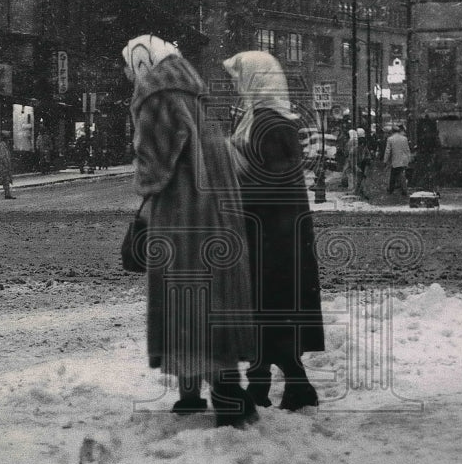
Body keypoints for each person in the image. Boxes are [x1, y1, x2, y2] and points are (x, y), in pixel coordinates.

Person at [124, 34, 257, 426]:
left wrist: (146, 194)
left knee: (187, 303)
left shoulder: (155, 93)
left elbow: (154, 162)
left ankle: (221, 396)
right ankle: (212, 391)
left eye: (129, 65)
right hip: (218, 216)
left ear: (143, 62)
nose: (127, 74)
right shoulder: (194, 94)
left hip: (185, 218)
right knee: (213, 300)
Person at [223, 51, 324, 412]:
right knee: (266, 312)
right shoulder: (261, 118)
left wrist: (235, 166)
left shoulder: (270, 122)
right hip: (268, 233)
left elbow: (275, 182)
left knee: (270, 311)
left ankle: (289, 385)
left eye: (240, 77)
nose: (236, 84)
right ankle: (270, 385)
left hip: (274, 238)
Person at [383, 124, 411, 197]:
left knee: (393, 175)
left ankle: (393, 189)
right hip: (403, 160)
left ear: (392, 131)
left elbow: (388, 151)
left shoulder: (390, 139)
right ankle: (403, 189)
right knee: (401, 174)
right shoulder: (404, 138)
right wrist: (409, 159)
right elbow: (407, 150)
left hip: (395, 160)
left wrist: (385, 161)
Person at [354, 128, 372, 200]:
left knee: (361, 177)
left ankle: (361, 191)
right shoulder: (364, 142)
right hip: (364, 162)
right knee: (363, 177)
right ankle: (362, 191)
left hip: (362, 162)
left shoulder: (358, 143)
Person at [343, 128, 358, 193]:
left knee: (349, 172)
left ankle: (351, 186)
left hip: (350, 158)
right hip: (356, 158)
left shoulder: (350, 141)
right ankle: (355, 186)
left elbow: (346, 151)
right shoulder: (357, 141)